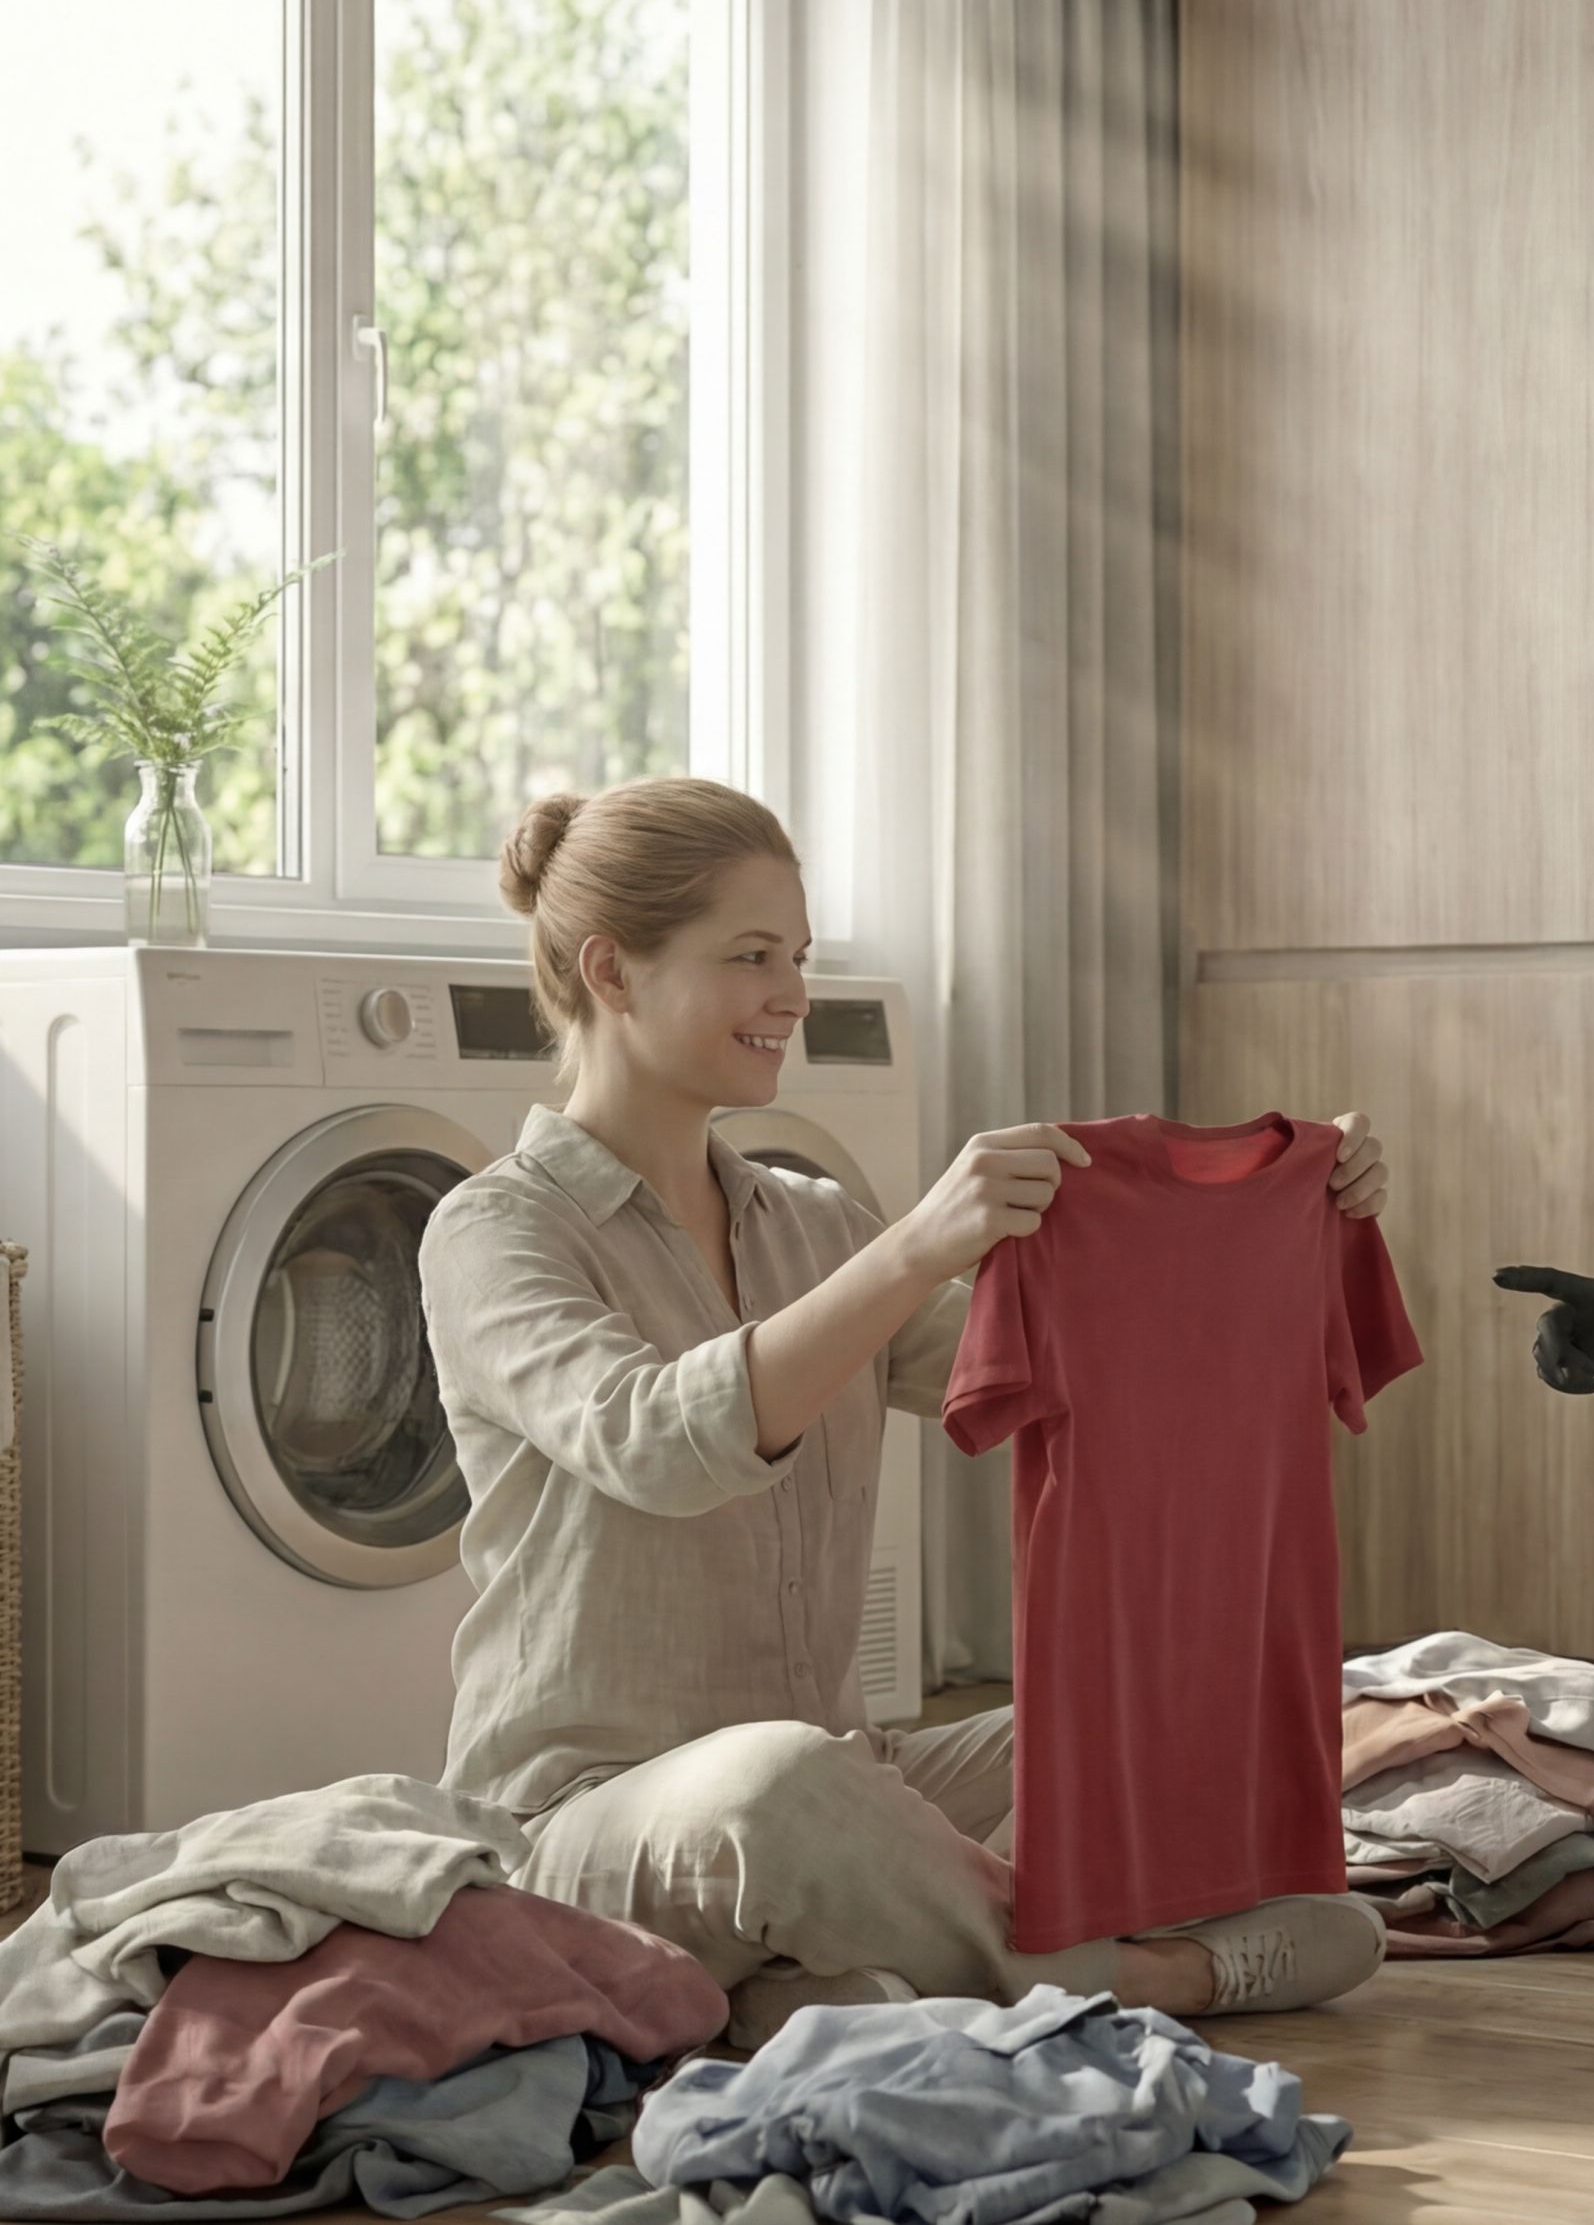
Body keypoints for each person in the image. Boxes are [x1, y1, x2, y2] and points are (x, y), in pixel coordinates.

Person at [419, 776, 1393, 2039]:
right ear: (613, 971)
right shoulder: (494, 1230)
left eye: (800, 956)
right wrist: (918, 1246)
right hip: (586, 1825)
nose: (793, 996)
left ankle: (848, 1987)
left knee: (1194, 1742)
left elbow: (1090, 1387)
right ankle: (1129, 1978)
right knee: (781, 1787)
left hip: (852, 1780)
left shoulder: (807, 1219)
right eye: (752, 956)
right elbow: (656, 1441)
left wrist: (1295, 1223)